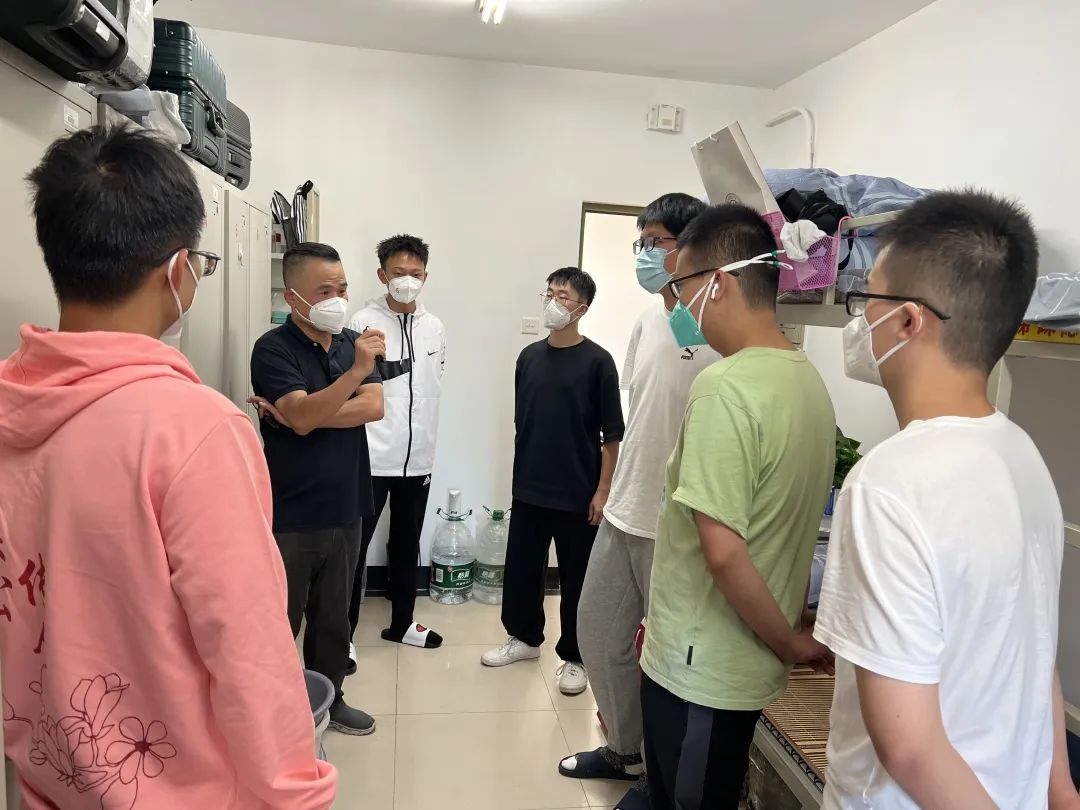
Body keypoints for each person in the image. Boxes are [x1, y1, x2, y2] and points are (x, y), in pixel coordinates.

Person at [0, 126, 337, 807]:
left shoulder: (13, 402)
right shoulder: (193, 430)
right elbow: (248, 648)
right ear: (178, 269)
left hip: (48, 780)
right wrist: (297, 794)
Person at [814, 190, 1079, 809]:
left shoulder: (887, 483)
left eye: (867, 299)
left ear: (909, 321)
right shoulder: (1022, 454)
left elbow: (909, 746)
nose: (861, 321)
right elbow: (1036, 650)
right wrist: (1062, 790)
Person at [639, 204, 836, 810]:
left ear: (718, 284)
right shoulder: (806, 380)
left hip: (700, 671)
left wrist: (792, 644)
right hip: (739, 667)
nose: (677, 304)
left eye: (682, 287)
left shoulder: (724, 388)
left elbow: (724, 553)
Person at [559, 194, 719, 807]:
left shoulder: (718, 331)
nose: (646, 254)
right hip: (625, 509)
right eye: (642, 243)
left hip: (673, 522)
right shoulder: (650, 321)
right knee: (597, 633)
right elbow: (639, 416)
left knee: (667, 662)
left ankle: (661, 776)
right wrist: (608, 490)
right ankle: (625, 750)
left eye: (657, 242)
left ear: (692, 246)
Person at [249, 242, 385, 737]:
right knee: (280, 619)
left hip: (347, 504)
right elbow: (307, 415)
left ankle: (330, 699)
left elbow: (372, 407)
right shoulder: (273, 349)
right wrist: (352, 379)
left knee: (334, 619)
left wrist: (300, 414)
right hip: (291, 511)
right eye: (325, 291)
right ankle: (273, 712)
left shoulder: (353, 342)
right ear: (293, 297)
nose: (338, 300)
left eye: (342, 289)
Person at [481, 268, 625, 697]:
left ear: (582, 308)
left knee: (577, 577)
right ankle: (524, 639)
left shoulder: (598, 362)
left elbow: (612, 435)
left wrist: (603, 490)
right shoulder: (528, 357)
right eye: (549, 293)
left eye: (563, 296)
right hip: (529, 486)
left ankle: (576, 657)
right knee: (523, 570)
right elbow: (522, 421)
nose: (552, 302)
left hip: (578, 491)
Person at [346, 234, 445, 661]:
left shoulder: (434, 327)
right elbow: (351, 386)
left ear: (426, 277)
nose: (407, 281)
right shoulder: (361, 321)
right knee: (355, 548)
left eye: (415, 274)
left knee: (407, 543)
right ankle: (342, 636)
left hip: (418, 458)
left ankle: (402, 622)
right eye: (399, 273)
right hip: (370, 457)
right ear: (382, 274)